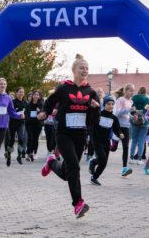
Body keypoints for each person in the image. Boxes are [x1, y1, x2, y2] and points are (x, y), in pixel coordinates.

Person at [38, 54, 100, 218]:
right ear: (74, 70)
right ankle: (78, 203)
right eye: (81, 68)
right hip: (64, 133)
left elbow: (94, 120)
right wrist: (45, 112)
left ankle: (51, 163)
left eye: (86, 68)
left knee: (68, 173)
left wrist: (95, 108)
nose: (84, 71)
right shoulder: (64, 88)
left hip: (80, 134)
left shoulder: (91, 92)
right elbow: (51, 101)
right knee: (74, 167)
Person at [90, 95, 124, 185]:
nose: (111, 106)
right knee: (102, 158)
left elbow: (117, 129)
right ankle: (93, 162)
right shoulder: (99, 114)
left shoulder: (114, 118)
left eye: (112, 104)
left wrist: (120, 134)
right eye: (108, 104)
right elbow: (91, 121)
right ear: (104, 105)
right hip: (97, 140)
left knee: (104, 163)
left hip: (106, 142)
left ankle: (94, 177)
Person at [114, 83, 135, 176]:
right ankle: (95, 159)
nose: (132, 92)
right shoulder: (120, 100)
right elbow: (116, 113)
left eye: (133, 91)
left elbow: (127, 114)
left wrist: (132, 117)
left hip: (126, 126)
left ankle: (124, 168)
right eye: (131, 90)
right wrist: (128, 111)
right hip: (118, 126)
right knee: (112, 148)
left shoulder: (130, 101)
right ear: (125, 91)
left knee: (126, 146)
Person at [5, 86, 27, 165]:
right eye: (20, 92)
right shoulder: (12, 102)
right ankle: (9, 155)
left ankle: (19, 156)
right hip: (12, 123)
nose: (21, 93)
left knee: (21, 139)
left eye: (22, 92)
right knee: (11, 140)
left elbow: (26, 113)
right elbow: (10, 112)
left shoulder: (25, 103)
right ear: (16, 93)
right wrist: (17, 115)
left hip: (21, 123)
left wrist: (25, 116)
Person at [129, 86, 149, 165]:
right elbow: (147, 111)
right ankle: (139, 159)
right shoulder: (147, 99)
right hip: (144, 122)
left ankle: (131, 158)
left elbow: (131, 110)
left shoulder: (133, 98)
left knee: (134, 140)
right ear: (145, 92)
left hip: (134, 120)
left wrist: (135, 115)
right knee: (141, 140)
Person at [25, 90, 44, 161]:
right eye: (34, 94)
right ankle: (29, 153)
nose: (36, 96)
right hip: (29, 123)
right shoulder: (28, 104)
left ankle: (33, 152)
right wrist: (28, 118)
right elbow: (26, 114)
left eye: (37, 95)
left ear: (39, 96)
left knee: (35, 139)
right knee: (30, 137)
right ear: (32, 96)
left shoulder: (41, 104)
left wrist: (40, 114)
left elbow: (42, 113)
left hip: (37, 124)